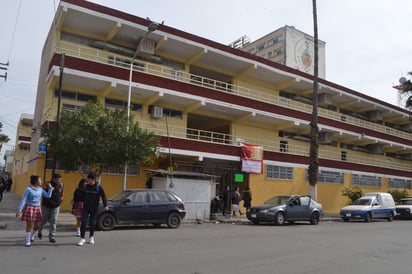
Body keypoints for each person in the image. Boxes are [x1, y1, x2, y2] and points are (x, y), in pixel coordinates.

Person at [16, 175, 52, 247]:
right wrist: (19, 210)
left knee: (37, 225)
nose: (41, 181)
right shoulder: (28, 189)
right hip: (29, 207)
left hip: (37, 208)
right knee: (29, 224)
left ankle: (32, 234)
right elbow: (23, 199)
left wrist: (50, 188)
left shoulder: (40, 189)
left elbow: (48, 196)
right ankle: (28, 240)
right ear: (36, 181)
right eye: (40, 180)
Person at [77, 172, 109, 246]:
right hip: (85, 207)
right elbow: (81, 196)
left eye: (89, 179)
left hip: (94, 208)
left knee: (92, 223)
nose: (88, 180)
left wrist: (105, 205)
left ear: (93, 180)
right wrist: (75, 201)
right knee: (84, 222)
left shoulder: (98, 187)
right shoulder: (85, 187)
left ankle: (91, 237)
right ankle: (82, 238)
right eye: (88, 179)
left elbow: (103, 196)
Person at [38, 173, 64, 243]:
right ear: (53, 179)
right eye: (58, 180)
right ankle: (39, 231)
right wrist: (47, 187)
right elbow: (40, 188)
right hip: (46, 206)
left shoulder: (61, 185)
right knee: (44, 220)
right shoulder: (47, 184)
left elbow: (62, 193)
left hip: (56, 206)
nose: (59, 181)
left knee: (54, 221)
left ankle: (52, 237)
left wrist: (61, 198)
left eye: (60, 180)